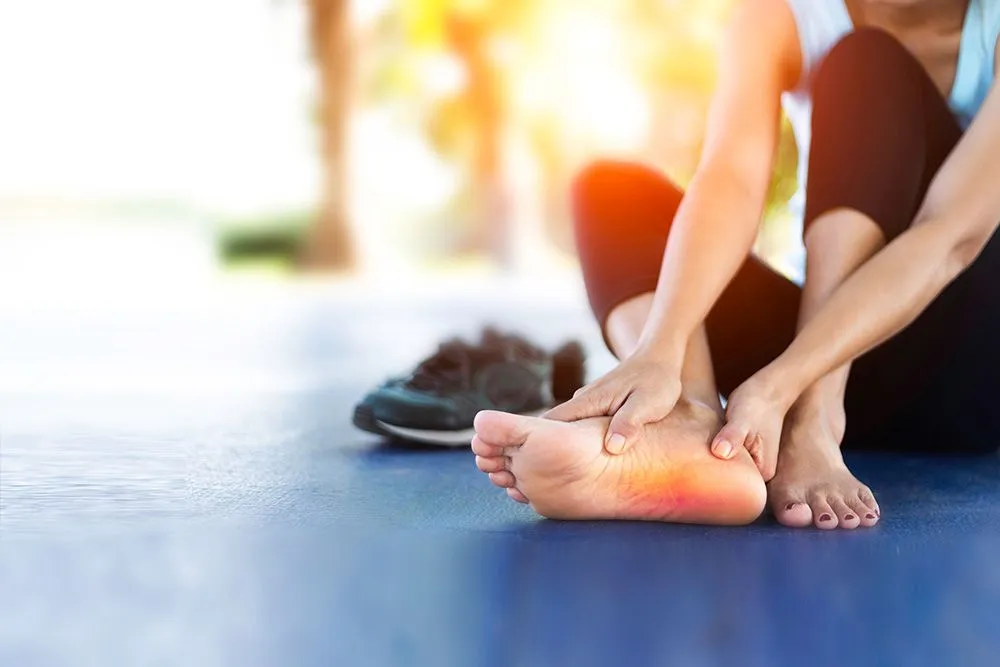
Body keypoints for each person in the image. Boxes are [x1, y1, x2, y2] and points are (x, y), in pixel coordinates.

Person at [472, 0, 1000, 529]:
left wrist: (784, 387)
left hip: (964, 365)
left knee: (868, 62)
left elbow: (949, 237)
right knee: (611, 193)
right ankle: (689, 423)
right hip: (807, 359)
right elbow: (732, 180)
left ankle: (813, 421)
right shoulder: (776, 16)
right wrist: (663, 347)